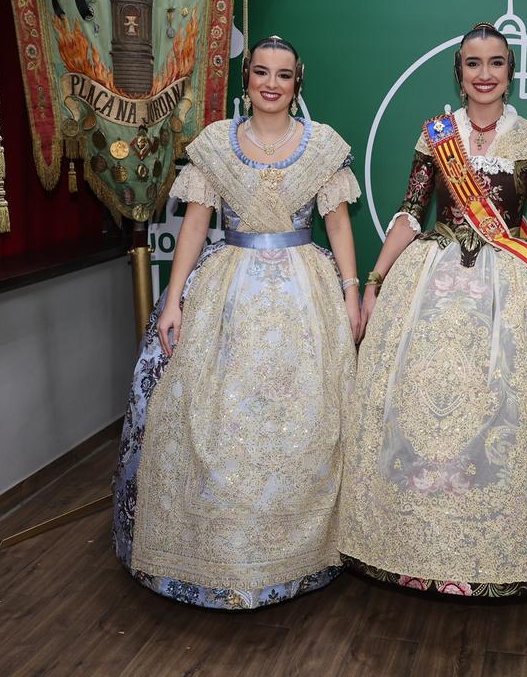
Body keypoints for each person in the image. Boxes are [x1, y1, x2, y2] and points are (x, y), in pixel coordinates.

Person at [111, 35, 362, 609]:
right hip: (228, 290)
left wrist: (350, 292)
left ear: (298, 83)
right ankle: (216, 556)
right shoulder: (215, 146)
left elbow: (340, 225)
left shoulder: (321, 145)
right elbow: (196, 227)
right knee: (214, 420)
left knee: (306, 422)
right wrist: (173, 301)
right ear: (245, 79)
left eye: (284, 75)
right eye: (261, 73)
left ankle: (301, 557)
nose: (271, 84)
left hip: (306, 293)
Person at [339, 22, 527, 597]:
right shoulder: (436, 135)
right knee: (419, 398)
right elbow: (409, 212)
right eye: (473, 63)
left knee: (503, 403)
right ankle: (417, 544)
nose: (484, 74)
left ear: (510, 71)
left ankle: (491, 545)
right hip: (431, 278)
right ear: (460, 71)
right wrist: (376, 279)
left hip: (511, 285)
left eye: (496, 63)